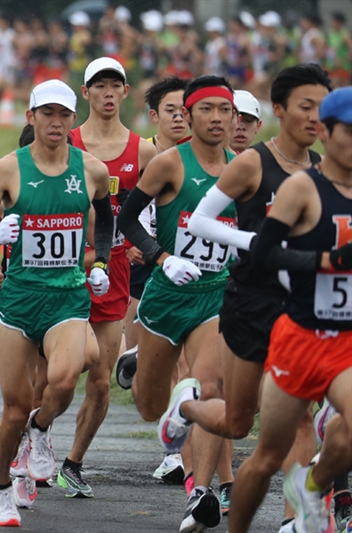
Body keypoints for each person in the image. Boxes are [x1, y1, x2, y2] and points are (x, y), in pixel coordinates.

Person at [185, 64, 332, 533]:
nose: (315, 118)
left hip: (303, 306)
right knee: (237, 422)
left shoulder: (325, 168)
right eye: (305, 107)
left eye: (322, 109)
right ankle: (185, 406)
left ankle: (294, 520)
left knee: (301, 418)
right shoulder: (252, 162)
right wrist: (262, 245)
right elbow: (200, 222)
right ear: (280, 109)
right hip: (251, 301)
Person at [0, 79, 111, 526]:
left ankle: (41, 428)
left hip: (67, 296)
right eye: (47, 113)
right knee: (12, 409)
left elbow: (106, 218)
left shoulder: (92, 170)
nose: (56, 122)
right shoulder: (8, 170)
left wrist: (100, 262)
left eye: (64, 114)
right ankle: (0, 485)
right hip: (20, 301)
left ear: (73, 119)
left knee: (64, 380)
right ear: (31, 117)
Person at [117, 75, 238, 533]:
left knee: (211, 386)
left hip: (214, 294)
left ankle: (201, 493)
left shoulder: (242, 168)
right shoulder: (170, 164)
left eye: (223, 110)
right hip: (165, 297)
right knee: (149, 406)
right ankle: (170, 400)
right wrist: (161, 258)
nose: (216, 118)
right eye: (205, 109)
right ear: (187, 116)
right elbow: (128, 218)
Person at [233, 86, 352, 533]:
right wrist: (324, 262)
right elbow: (262, 254)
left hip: (346, 342)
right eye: (350, 132)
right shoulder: (304, 187)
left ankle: (312, 485)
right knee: (265, 459)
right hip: (300, 337)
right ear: (326, 131)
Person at [62, 57, 157, 498]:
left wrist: (152, 247)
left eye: (114, 85)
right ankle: (37, 431)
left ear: (124, 92)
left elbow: (155, 211)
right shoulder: (67, 140)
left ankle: (73, 462)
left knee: (100, 379)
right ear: (85, 93)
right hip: (63, 268)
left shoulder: (144, 152)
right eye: (98, 85)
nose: (106, 92)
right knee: (57, 374)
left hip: (115, 269)